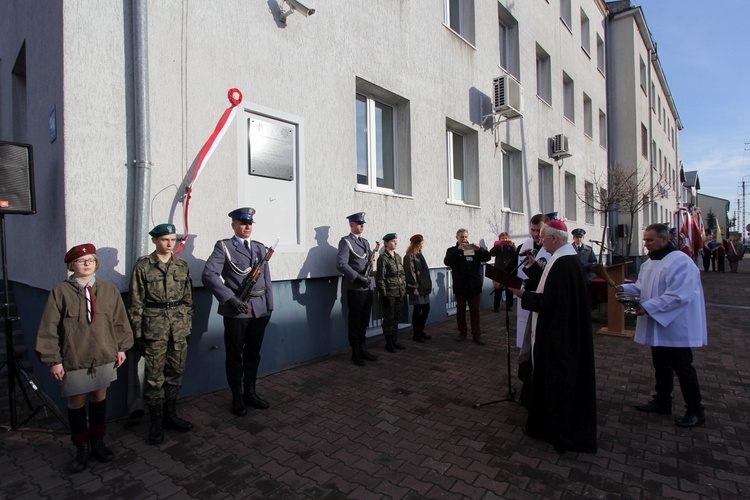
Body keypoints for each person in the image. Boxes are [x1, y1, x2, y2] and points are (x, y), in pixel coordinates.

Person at [35, 243, 133, 473]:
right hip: (75, 356)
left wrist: (121, 348)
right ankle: (82, 446)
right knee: (76, 400)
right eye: (81, 261)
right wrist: (54, 360)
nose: (87, 264)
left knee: (99, 397)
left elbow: (120, 321)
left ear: (96, 263)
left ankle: (98, 441)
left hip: (103, 354)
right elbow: (49, 328)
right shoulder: (60, 292)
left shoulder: (109, 290)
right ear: (72, 265)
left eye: (91, 260)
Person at [509, 219, 597, 453]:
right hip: (559, 331)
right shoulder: (562, 258)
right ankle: (542, 423)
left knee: (557, 380)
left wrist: (522, 294)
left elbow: (550, 302)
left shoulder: (563, 263)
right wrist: (533, 271)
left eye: (543, 237)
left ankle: (556, 431)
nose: (540, 241)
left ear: (554, 239)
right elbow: (550, 289)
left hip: (558, 336)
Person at [617, 223, 707, 427]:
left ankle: (696, 410)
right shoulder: (649, 263)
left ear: (665, 239)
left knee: (683, 368)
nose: (646, 244)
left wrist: (647, 307)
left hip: (676, 325)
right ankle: (662, 401)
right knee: (661, 364)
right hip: (659, 322)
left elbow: (679, 295)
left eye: (650, 240)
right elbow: (642, 287)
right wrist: (625, 289)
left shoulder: (681, 262)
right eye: (645, 239)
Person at [202, 207, 274, 416]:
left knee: (253, 354)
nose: (247, 227)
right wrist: (229, 298)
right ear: (233, 225)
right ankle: (237, 396)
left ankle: (250, 392)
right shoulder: (224, 247)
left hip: (259, 309)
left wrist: (269, 306)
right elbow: (209, 275)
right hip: (237, 310)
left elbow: (266, 279)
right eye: (242, 223)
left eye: (250, 223)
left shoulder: (260, 248)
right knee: (235, 355)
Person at [128, 223, 194, 445]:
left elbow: (188, 299)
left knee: (176, 371)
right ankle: (155, 422)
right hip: (154, 327)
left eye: (173, 240)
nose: (169, 244)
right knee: (155, 376)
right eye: (165, 239)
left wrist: (187, 326)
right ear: (155, 240)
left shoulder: (182, 266)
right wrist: (137, 333)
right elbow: (136, 301)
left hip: (179, 327)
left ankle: (170, 415)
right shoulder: (144, 266)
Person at [336, 212, 379, 366]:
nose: (362, 226)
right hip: (355, 288)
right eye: (359, 223)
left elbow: (367, 263)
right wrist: (358, 278)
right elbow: (341, 264)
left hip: (367, 287)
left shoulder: (366, 243)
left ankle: (363, 348)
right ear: (351, 225)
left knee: (364, 320)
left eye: (363, 223)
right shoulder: (346, 242)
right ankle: (355, 352)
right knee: (355, 321)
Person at [443, 228, 491, 345]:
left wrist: (480, 249)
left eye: (465, 237)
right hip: (461, 286)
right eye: (461, 237)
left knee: (475, 311)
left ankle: (476, 334)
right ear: (457, 238)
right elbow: (447, 261)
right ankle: (462, 333)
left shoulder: (473, 249)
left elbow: (487, 257)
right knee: (461, 310)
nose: (464, 239)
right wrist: (458, 251)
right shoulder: (452, 250)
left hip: (474, 286)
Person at [515, 213, 552, 348]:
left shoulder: (553, 249)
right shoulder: (523, 246)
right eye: (533, 230)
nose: (535, 234)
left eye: (539, 230)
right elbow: (512, 266)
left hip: (543, 297)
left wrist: (534, 265)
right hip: (527, 294)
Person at [376, 233, 406, 352]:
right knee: (389, 318)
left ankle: (395, 340)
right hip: (389, 293)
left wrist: (403, 288)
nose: (395, 243)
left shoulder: (398, 257)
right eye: (393, 241)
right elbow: (380, 278)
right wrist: (384, 294)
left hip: (399, 292)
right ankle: (388, 343)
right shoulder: (383, 258)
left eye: (396, 241)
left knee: (397, 317)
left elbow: (402, 274)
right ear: (386, 243)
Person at [404, 234, 433, 343]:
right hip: (417, 287)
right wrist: (413, 287)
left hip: (424, 287)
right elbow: (410, 273)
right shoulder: (410, 256)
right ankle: (416, 334)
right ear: (415, 245)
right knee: (418, 310)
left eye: (422, 244)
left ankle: (421, 331)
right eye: (420, 244)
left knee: (426, 309)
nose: (422, 246)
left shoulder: (419, 255)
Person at [488, 232, 516, 312]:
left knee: (509, 290)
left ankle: (509, 306)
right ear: (500, 239)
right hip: (499, 270)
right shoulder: (498, 247)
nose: (505, 240)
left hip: (509, 270)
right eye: (503, 238)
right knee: (498, 289)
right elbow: (491, 253)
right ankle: (496, 306)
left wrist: (512, 245)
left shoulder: (510, 247)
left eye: (506, 238)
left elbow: (516, 254)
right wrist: (497, 246)